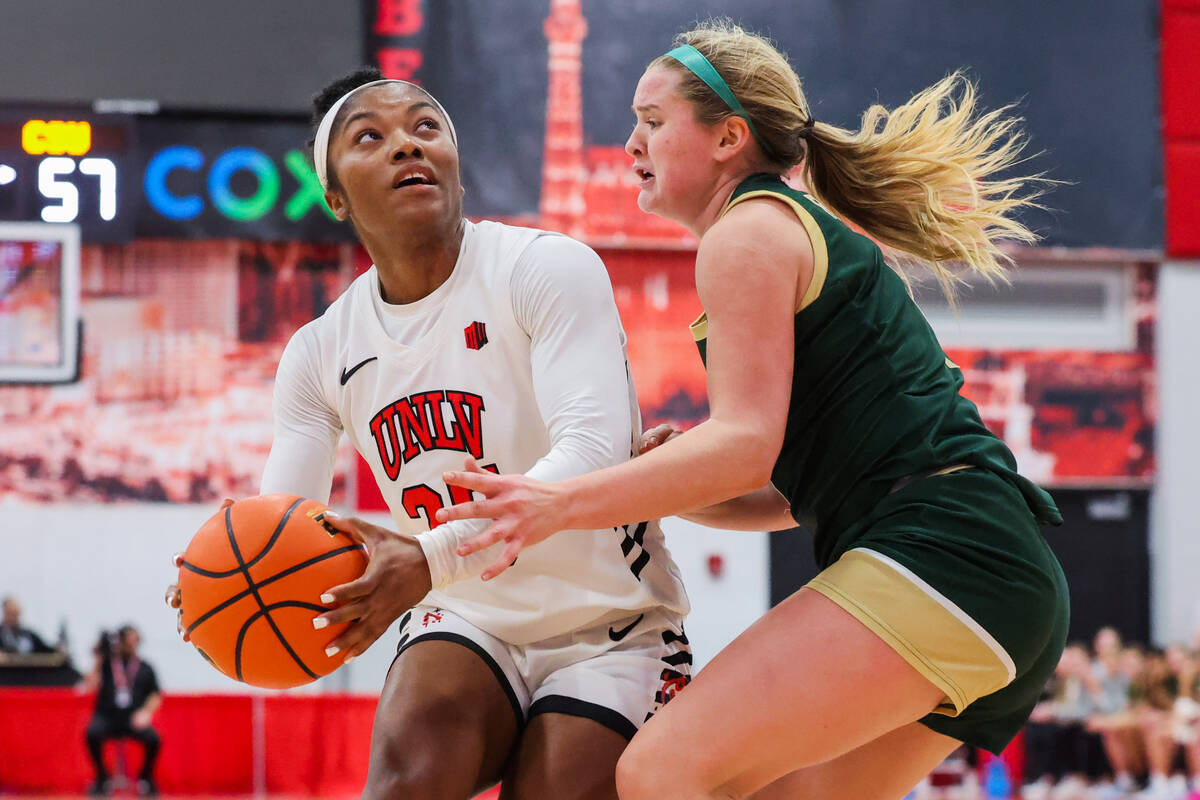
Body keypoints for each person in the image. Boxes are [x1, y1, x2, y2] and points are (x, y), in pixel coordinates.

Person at [434, 21, 1071, 800]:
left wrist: (556, 503)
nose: (631, 139)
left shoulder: (747, 235)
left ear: (730, 136)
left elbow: (743, 445)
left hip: (944, 554)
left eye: (654, 120)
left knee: (661, 770)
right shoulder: (785, 233)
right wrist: (673, 484)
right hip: (1002, 584)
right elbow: (785, 491)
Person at [167, 67, 688, 800]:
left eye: (425, 127)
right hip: (469, 612)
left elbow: (594, 454)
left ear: (455, 168)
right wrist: (234, 575)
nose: (405, 146)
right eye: (369, 138)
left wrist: (428, 555)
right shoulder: (320, 352)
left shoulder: (544, 268)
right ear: (336, 195)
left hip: (611, 621)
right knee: (406, 782)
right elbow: (285, 523)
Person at [81, 625, 161, 797]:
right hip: (107, 716)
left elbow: (155, 694)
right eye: (126, 639)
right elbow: (89, 685)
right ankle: (102, 777)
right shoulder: (107, 664)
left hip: (132, 718)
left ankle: (145, 777)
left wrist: (145, 713)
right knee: (91, 734)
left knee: (154, 739)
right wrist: (98, 657)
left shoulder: (145, 667)